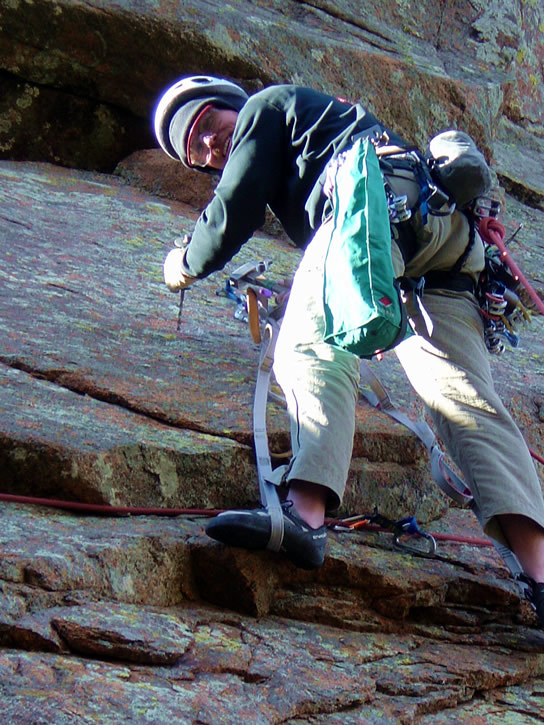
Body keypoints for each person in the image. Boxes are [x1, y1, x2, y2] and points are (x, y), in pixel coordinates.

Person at [154, 76, 544, 625]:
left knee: (309, 345)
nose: (209, 145)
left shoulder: (267, 106)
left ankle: (304, 515)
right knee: (464, 403)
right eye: (196, 151)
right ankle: (541, 575)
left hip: (370, 204)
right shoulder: (322, 127)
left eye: (206, 126)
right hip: (441, 237)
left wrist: (183, 263)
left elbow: (232, 211)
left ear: (230, 106)